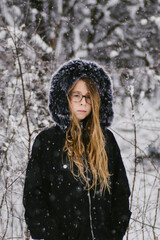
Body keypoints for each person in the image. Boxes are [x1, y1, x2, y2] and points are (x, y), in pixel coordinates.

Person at [23, 59, 131, 240]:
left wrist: (113, 232)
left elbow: (120, 194)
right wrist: (49, 234)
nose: (83, 102)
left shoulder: (106, 140)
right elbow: (34, 196)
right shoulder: (48, 141)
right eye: (77, 95)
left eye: (89, 96)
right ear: (65, 97)